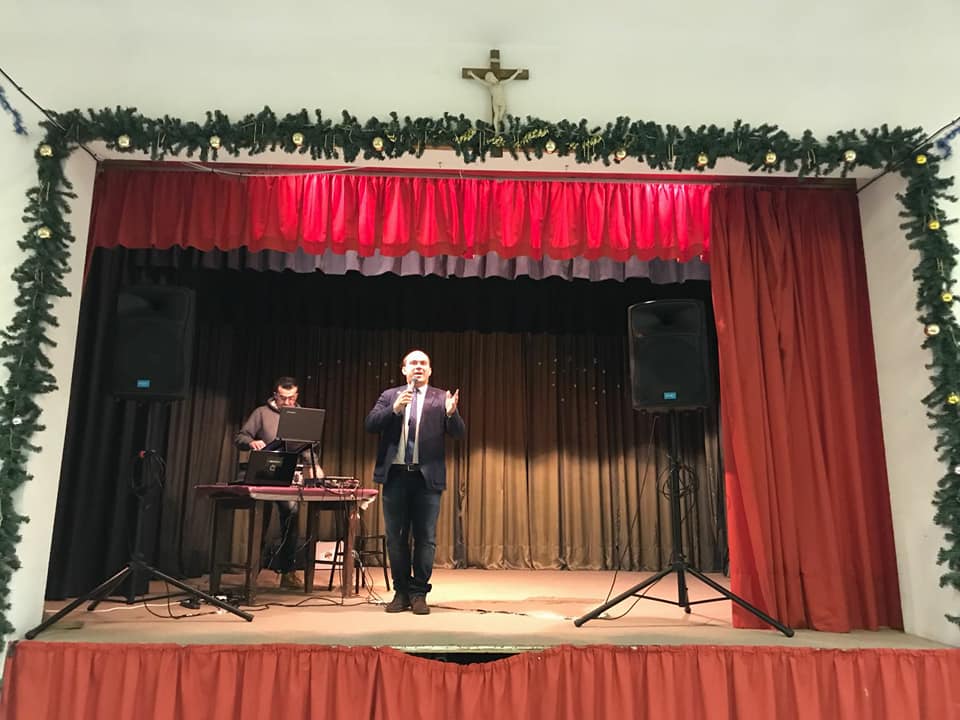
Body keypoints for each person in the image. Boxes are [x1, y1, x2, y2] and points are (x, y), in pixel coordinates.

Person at [365, 350, 464, 615]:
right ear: (404, 369)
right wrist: (394, 409)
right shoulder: (389, 396)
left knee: (426, 538)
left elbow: (458, 433)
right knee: (396, 538)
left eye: (423, 363)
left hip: (426, 478)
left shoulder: (440, 397)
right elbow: (370, 424)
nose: (418, 367)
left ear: (429, 371)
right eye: (413, 363)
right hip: (395, 476)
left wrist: (452, 414)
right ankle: (401, 592)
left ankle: (419, 593)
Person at [234, 376, 317, 589]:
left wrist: (314, 467)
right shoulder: (261, 413)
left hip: (289, 475)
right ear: (275, 396)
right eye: (282, 398)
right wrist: (252, 442)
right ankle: (253, 572)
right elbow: (240, 437)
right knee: (260, 521)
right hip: (263, 473)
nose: (287, 402)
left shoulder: (301, 417)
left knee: (292, 514)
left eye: (291, 398)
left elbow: (307, 447)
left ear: (296, 396)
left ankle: (287, 572)